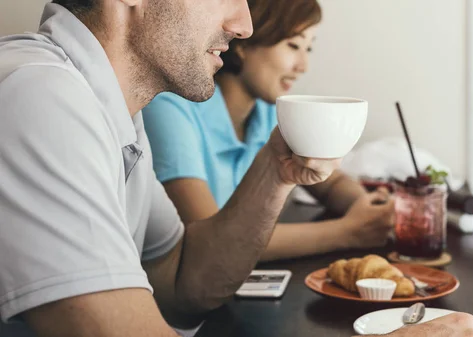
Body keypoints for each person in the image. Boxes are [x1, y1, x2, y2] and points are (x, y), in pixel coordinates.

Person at [0, 0, 473, 336]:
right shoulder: (41, 97)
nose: (243, 25)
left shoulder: (112, 108)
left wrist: (275, 171)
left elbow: (182, 283)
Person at [142, 0, 396, 262]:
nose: (303, 66)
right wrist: (347, 232)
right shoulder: (171, 106)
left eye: (308, 48)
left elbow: (329, 182)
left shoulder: (265, 112)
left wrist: (369, 207)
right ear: (243, 44)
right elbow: (209, 241)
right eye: (293, 45)